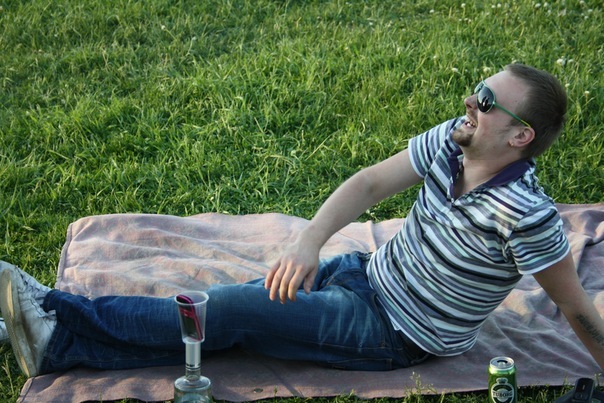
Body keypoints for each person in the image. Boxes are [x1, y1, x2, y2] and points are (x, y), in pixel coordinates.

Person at [1, 64, 603, 379]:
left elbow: (574, 306)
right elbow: (370, 183)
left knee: (226, 312)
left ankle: (54, 321)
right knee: (229, 309)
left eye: (487, 101)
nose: (470, 102)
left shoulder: (525, 215)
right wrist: (309, 240)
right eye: (476, 89)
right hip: (363, 273)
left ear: (520, 136)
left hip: (392, 331)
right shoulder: (455, 140)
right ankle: (48, 334)